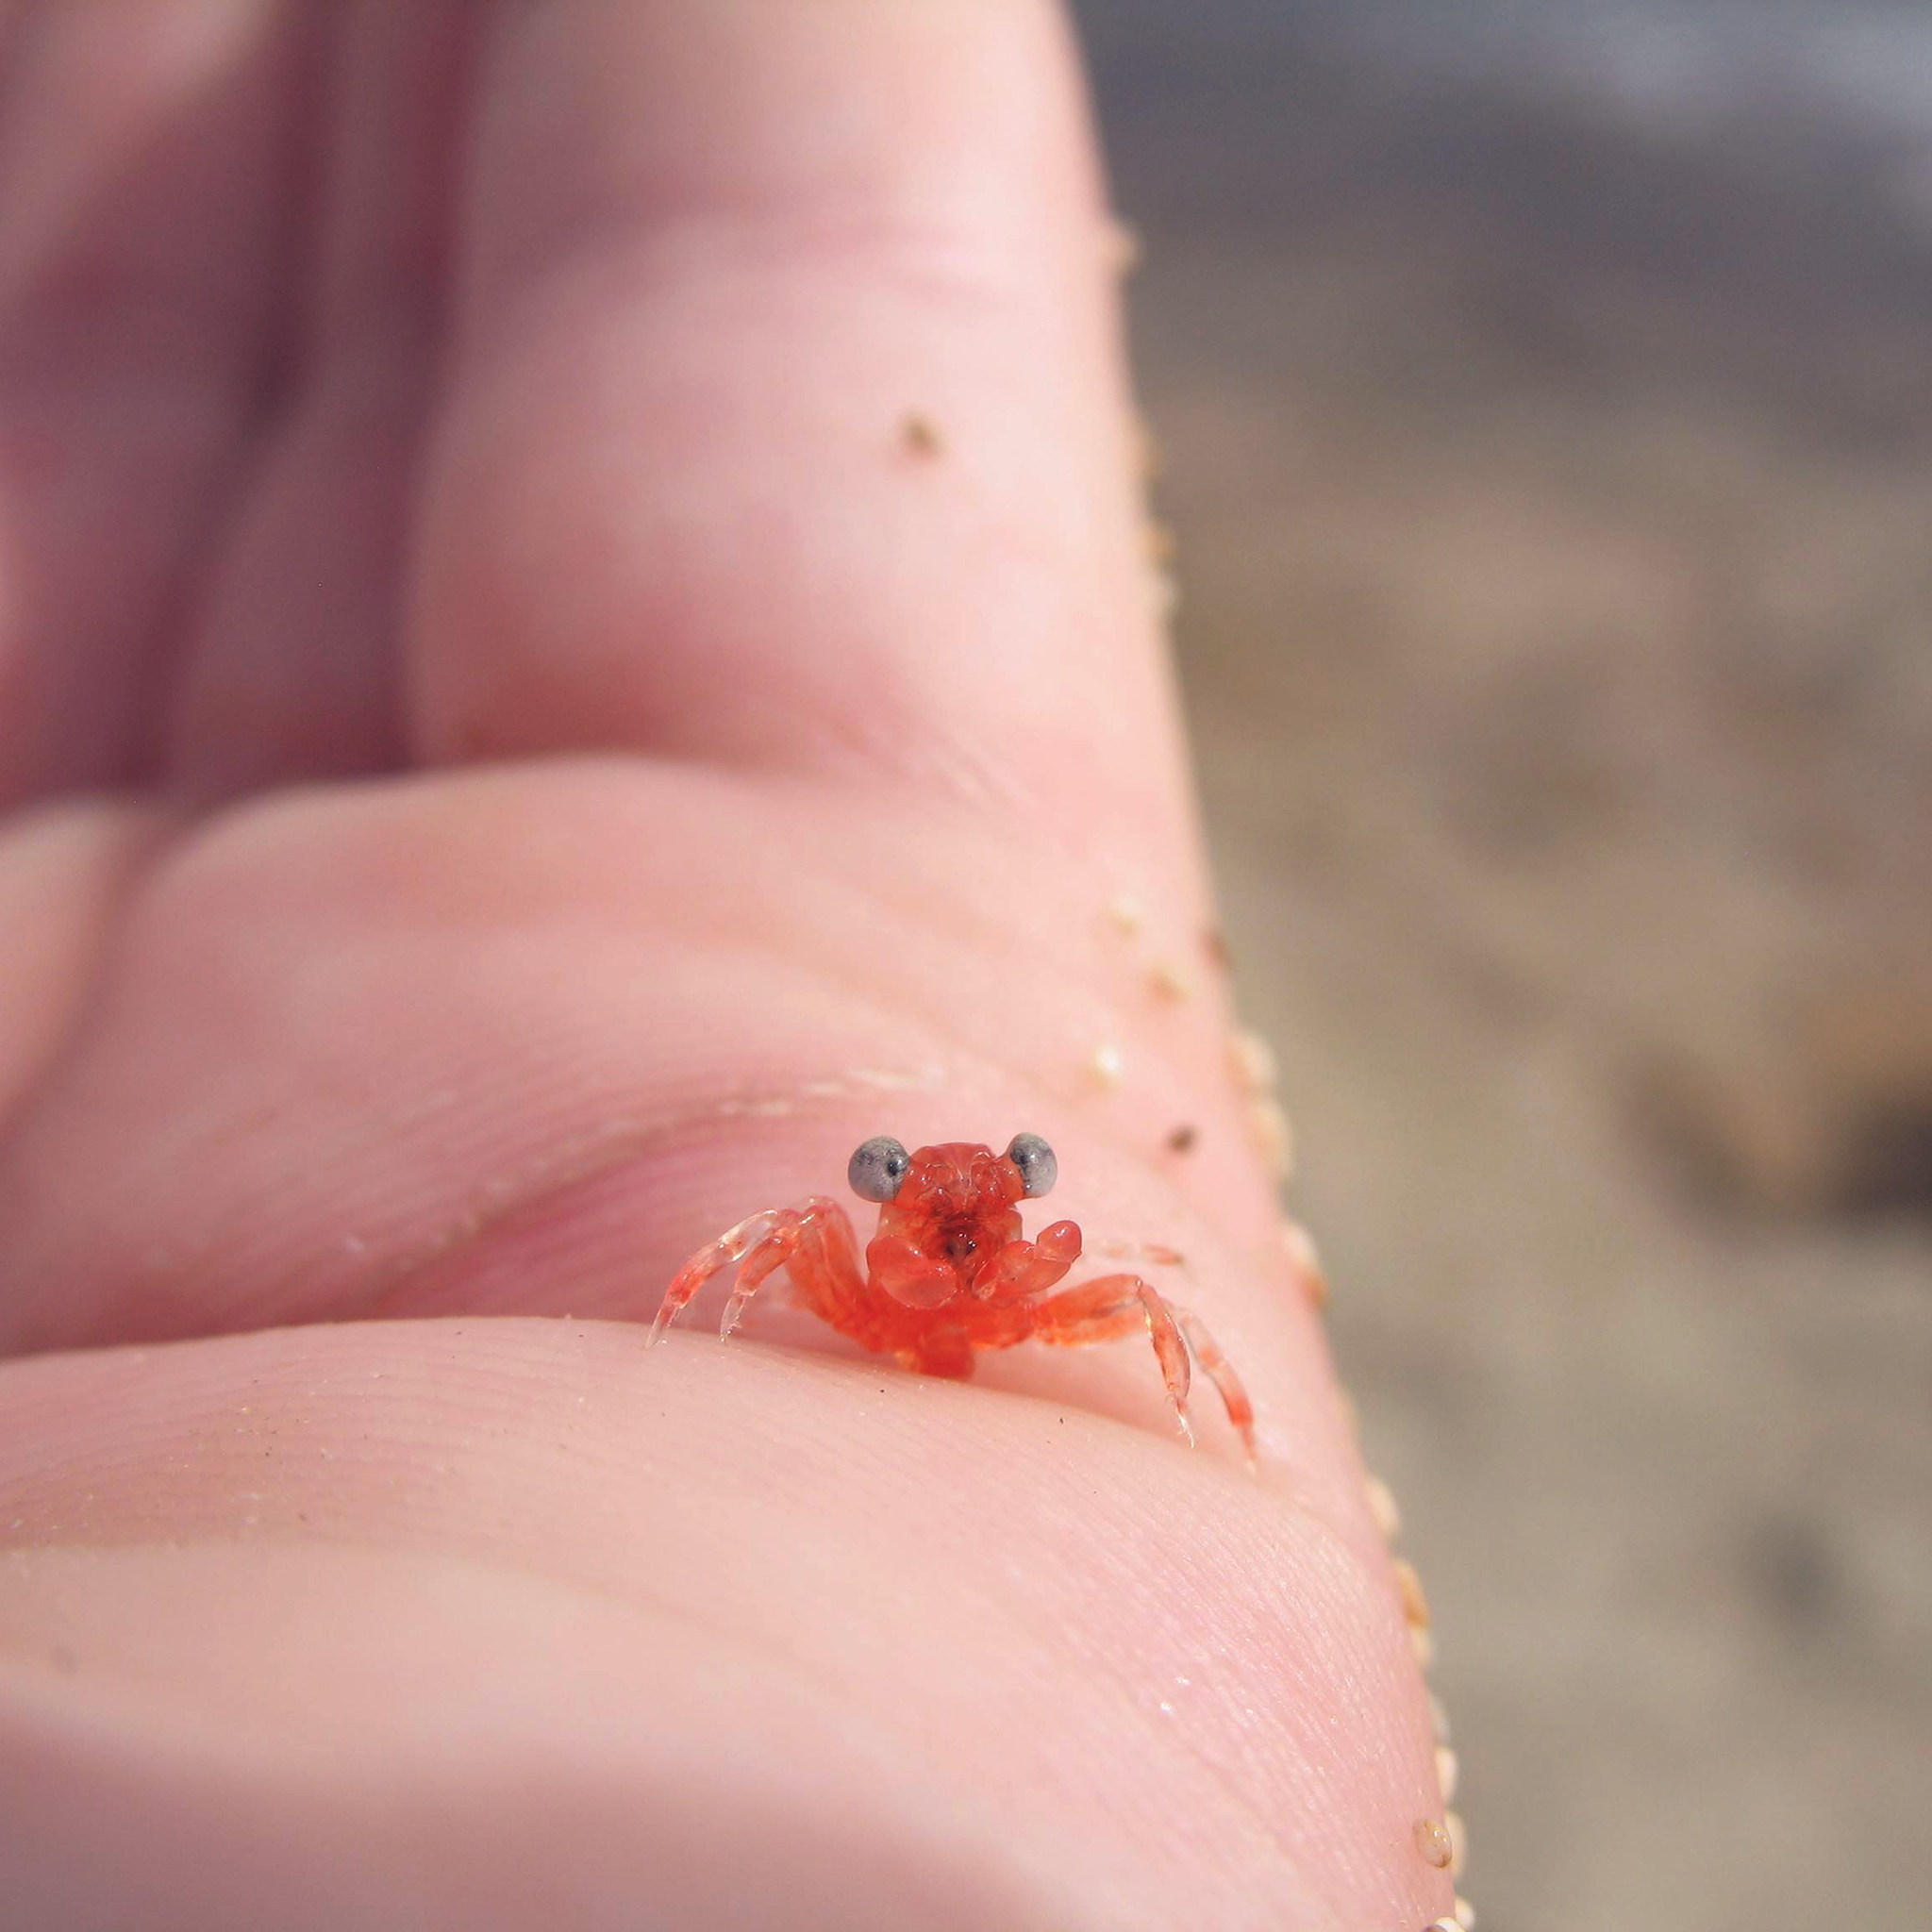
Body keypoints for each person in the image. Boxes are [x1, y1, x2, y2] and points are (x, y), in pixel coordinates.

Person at [0, 5, 1451, 1925]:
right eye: (920, 1190)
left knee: (1160, 1283)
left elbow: (1163, 1289)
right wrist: (699, 1320)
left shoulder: (1054, 1272)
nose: (956, 1216)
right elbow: (768, 1243)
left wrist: (1219, 1448)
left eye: (994, 1193)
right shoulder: (831, 1247)